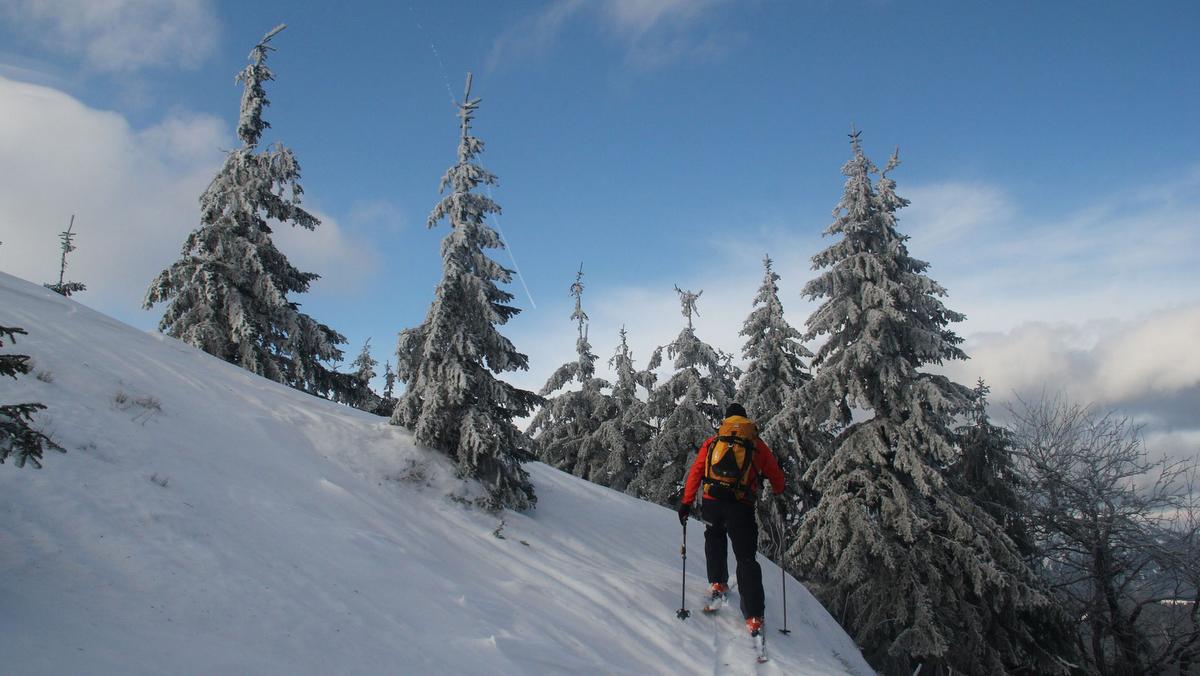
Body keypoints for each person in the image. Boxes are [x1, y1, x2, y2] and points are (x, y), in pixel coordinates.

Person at [677, 403, 786, 639]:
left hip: (712, 503)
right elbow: (776, 475)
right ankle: (754, 616)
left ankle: (717, 583)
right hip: (741, 506)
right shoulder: (755, 444)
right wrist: (779, 490)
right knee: (746, 558)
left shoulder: (713, 442)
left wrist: (686, 503)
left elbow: (696, 472)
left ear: (726, 422)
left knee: (714, 539)